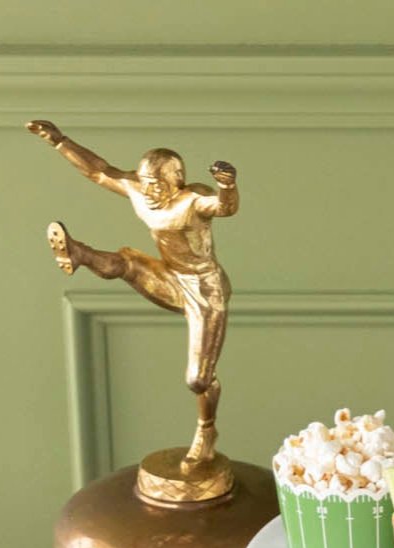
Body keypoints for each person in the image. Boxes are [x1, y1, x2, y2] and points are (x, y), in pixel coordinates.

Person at [27, 119, 238, 459]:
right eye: (145, 182)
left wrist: (227, 186)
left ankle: (206, 431)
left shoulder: (192, 200)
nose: (149, 190)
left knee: (198, 379)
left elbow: (223, 207)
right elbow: (98, 172)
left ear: (176, 182)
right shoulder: (139, 191)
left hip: (204, 288)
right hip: (168, 274)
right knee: (124, 265)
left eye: (158, 184)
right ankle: (78, 252)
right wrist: (60, 142)